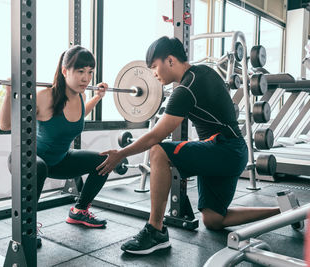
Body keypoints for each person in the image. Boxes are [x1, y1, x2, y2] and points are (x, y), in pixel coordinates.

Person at [97, 36, 281, 255]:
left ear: (171, 60)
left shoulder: (185, 89)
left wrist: (121, 153)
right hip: (232, 151)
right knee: (213, 219)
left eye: (155, 67)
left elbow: (156, 135)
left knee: (158, 151)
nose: (154, 74)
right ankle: (282, 211)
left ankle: (155, 231)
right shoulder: (204, 73)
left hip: (224, 150)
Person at [0, 45, 109, 232]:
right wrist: (9, 94)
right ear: (65, 71)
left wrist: (97, 98)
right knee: (39, 166)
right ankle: (26, 225)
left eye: (90, 72)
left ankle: (79, 211)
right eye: (80, 71)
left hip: (59, 161)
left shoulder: (80, 96)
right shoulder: (45, 97)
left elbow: (77, 117)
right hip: (27, 159)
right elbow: (5, 125)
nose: (86, 78)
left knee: (105, 161)